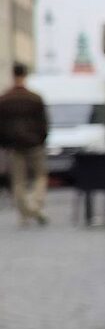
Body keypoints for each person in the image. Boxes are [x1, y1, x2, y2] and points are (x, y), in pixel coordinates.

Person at [0, 63, 49, 226]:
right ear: (25, 75)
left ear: (13, 75)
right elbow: (44, 123)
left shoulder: (4, 99)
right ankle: (35, 206)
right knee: (40, 176)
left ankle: (25, 212)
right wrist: (41, 138)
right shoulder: (35, 98)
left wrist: (4, 142)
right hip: (34, 143)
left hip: (13, 145)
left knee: (18, 181)